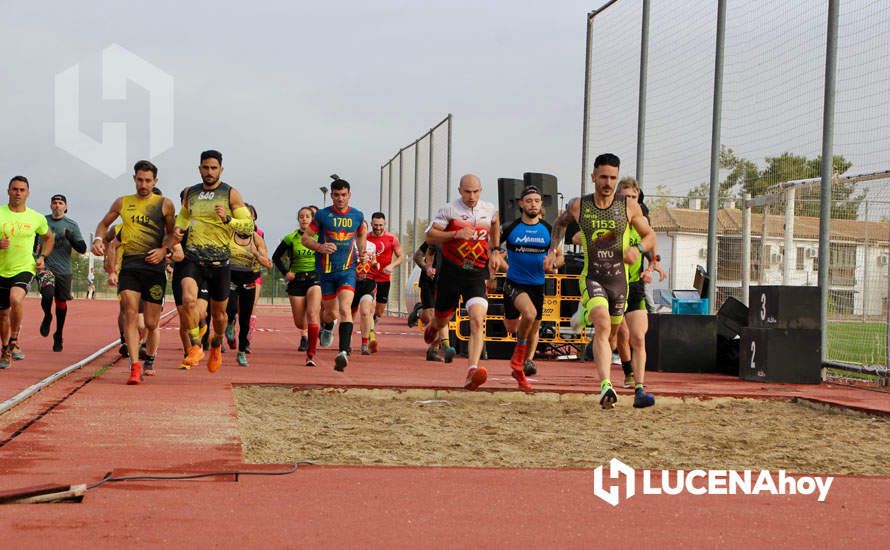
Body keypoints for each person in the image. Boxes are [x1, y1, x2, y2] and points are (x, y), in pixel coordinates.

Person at [547, 153, 656, 409]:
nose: (608, 182)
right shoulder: (578, 205)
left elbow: (650, 235)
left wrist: (638, 250)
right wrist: (555, 250)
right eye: (604, 177)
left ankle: (635, 386)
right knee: (603, 324)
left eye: (613, 178)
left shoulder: (628, 206)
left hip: (620, 282)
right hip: (593, 276)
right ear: (593, 176)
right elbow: (559, 225)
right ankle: (606, 385)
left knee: (615, 335)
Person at [92, 161, 176, 384]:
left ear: (155, 181)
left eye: (148, 180)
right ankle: (134, 366)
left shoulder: (165, 205)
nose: (143, 184)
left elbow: (171, 235)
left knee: (150, 322)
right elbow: (103, 224)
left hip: (154, 268)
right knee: (129, 310)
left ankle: (150, 356)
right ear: (134, 179)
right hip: (130, 266)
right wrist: (99, 239)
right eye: (140, 180)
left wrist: (163, 250)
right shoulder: (123, 202)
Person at [173, 149, 254, 373]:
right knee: (188, 299)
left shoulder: (231, 194)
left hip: (220, 262)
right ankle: (196, 346)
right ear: (199, 168)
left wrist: (228, 219)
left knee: (219, 316)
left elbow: (248, 227)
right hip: (193, 259)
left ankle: (216, 345)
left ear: (221, 169)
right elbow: (183, 216)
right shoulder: (191, 193)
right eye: (205, 168)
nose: (209, 172)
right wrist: (179, 229)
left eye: (213, 168)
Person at [424, 174, 499, 391]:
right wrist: (456, 233)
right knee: (441, 320)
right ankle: (433, 327)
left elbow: (495, 223)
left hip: (476, 274)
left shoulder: (489, 208)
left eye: (476, 191)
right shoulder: (449, 210)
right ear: (459, 190)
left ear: (481, 190)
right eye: (467, 192)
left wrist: (494, 250)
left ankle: (472, 371)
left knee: (477, 320)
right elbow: (430, 236)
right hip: (451, 273)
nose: (472, 196)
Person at [491, 185, 559, 391]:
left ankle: (525, 362)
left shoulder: (548, 230)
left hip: (537, 285)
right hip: (514, 283)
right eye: (529, 201)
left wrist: (554, 264)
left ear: (541, 204)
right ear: (521, 204)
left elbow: (558, 255)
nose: (533, 204)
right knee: (515, 326)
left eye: (537, 201)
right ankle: (518, 360)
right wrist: (493, 270)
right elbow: (492, 247)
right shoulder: (511, 228)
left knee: (533, 325)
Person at [301, 178, 366, 371]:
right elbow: (306, 239)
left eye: (343, 195)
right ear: (331, 195)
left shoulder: (357, 215)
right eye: (336, 195)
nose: (340, 198)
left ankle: (343, 352)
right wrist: (320, 247)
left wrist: (361, 252)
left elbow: (362, 233)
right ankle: (327, 326)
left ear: (349, 195)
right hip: (326, 271)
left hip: (347, 270)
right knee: (331, 313)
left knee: (345, 309)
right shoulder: (322, 215)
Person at [614, 178, 666, 390]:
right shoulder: (609, 221)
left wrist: (652, 268)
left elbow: (652, 246)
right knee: (622, 334)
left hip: (635, 285)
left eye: (633, 197)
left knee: (638, 336)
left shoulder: (641, 221)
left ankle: (640, 386)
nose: (630, 201)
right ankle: (627, 372)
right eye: (625, 197)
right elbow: (579, 237)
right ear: (617, 198)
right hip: (613, 285)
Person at [0, 176, 54, 369]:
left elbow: (49, 238)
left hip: (24, 267)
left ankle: (14, 340)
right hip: (1, 269)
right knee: (3, 314)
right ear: (8, 191)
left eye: (22, 190)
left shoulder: (36, 217)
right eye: (14, 189)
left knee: (16, 299)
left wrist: (42, 257)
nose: (18, 193)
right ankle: (5, 348)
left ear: (28, 193)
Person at [37, 194, 86, 352]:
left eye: (60, 203)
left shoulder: (71, 225)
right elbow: (32, 243)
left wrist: (69, 236)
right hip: (45, 266)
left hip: (64, 270)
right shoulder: (42, 222)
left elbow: (82, 248)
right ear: (51, 206)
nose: (57, 205)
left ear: (65, 207)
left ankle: (58, 334)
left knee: (60, 303)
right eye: (54, 203)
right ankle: (47, 316)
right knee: (47, 294)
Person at [224, 205, 273, 366]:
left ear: (253, 220)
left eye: (249, 218)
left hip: (249, 279)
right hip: (231, 276)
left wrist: (256, 254)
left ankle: (242, 351)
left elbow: (268, 264)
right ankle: (230, 323)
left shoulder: (257, 239)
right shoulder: (228, 233)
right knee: (230, 309)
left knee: (245, 319)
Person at [273, 206, 321, 366]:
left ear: (312, 219)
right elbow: (276, 257)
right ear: (298, 219)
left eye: (308, 216)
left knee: (313, 313)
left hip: (315, 278)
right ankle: (310, 329)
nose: (304, 219)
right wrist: (286, 272)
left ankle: (311, 354)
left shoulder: (320, 237)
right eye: (301, 216)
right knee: (300, 322)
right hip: (297, 281)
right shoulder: (291, 238)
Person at [410, 242, 454, 362]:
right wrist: (427, 268)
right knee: (433, 316)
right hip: (429, 282)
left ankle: (419, 312)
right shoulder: (436, 237)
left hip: (446, 282)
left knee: (443, 316)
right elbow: (418, 256)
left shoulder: (462, 240)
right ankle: (445, 347)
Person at [366, 212, 403, 352]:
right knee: (369, 307)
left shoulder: (392, 239)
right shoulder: (366, 237)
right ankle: (371, 334)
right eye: (375, 225)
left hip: (384, 278)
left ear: (384, 224)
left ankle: (372, 324)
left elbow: (400, 257)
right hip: (369, 277)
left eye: (380, 225)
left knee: (379, 311)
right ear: (371, 224)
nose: (378, 227)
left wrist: (391, 266)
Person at [352, 224, 378, 355]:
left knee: (365, 312)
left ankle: (364, 344)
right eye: (359, 228)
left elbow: (374, 261)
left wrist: (375, 264)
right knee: (349, 315)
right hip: (351, 283)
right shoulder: (350, 244)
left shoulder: (372, 246)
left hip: (367, 283)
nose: (361, 230)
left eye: (364, 228)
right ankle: (346, 343)